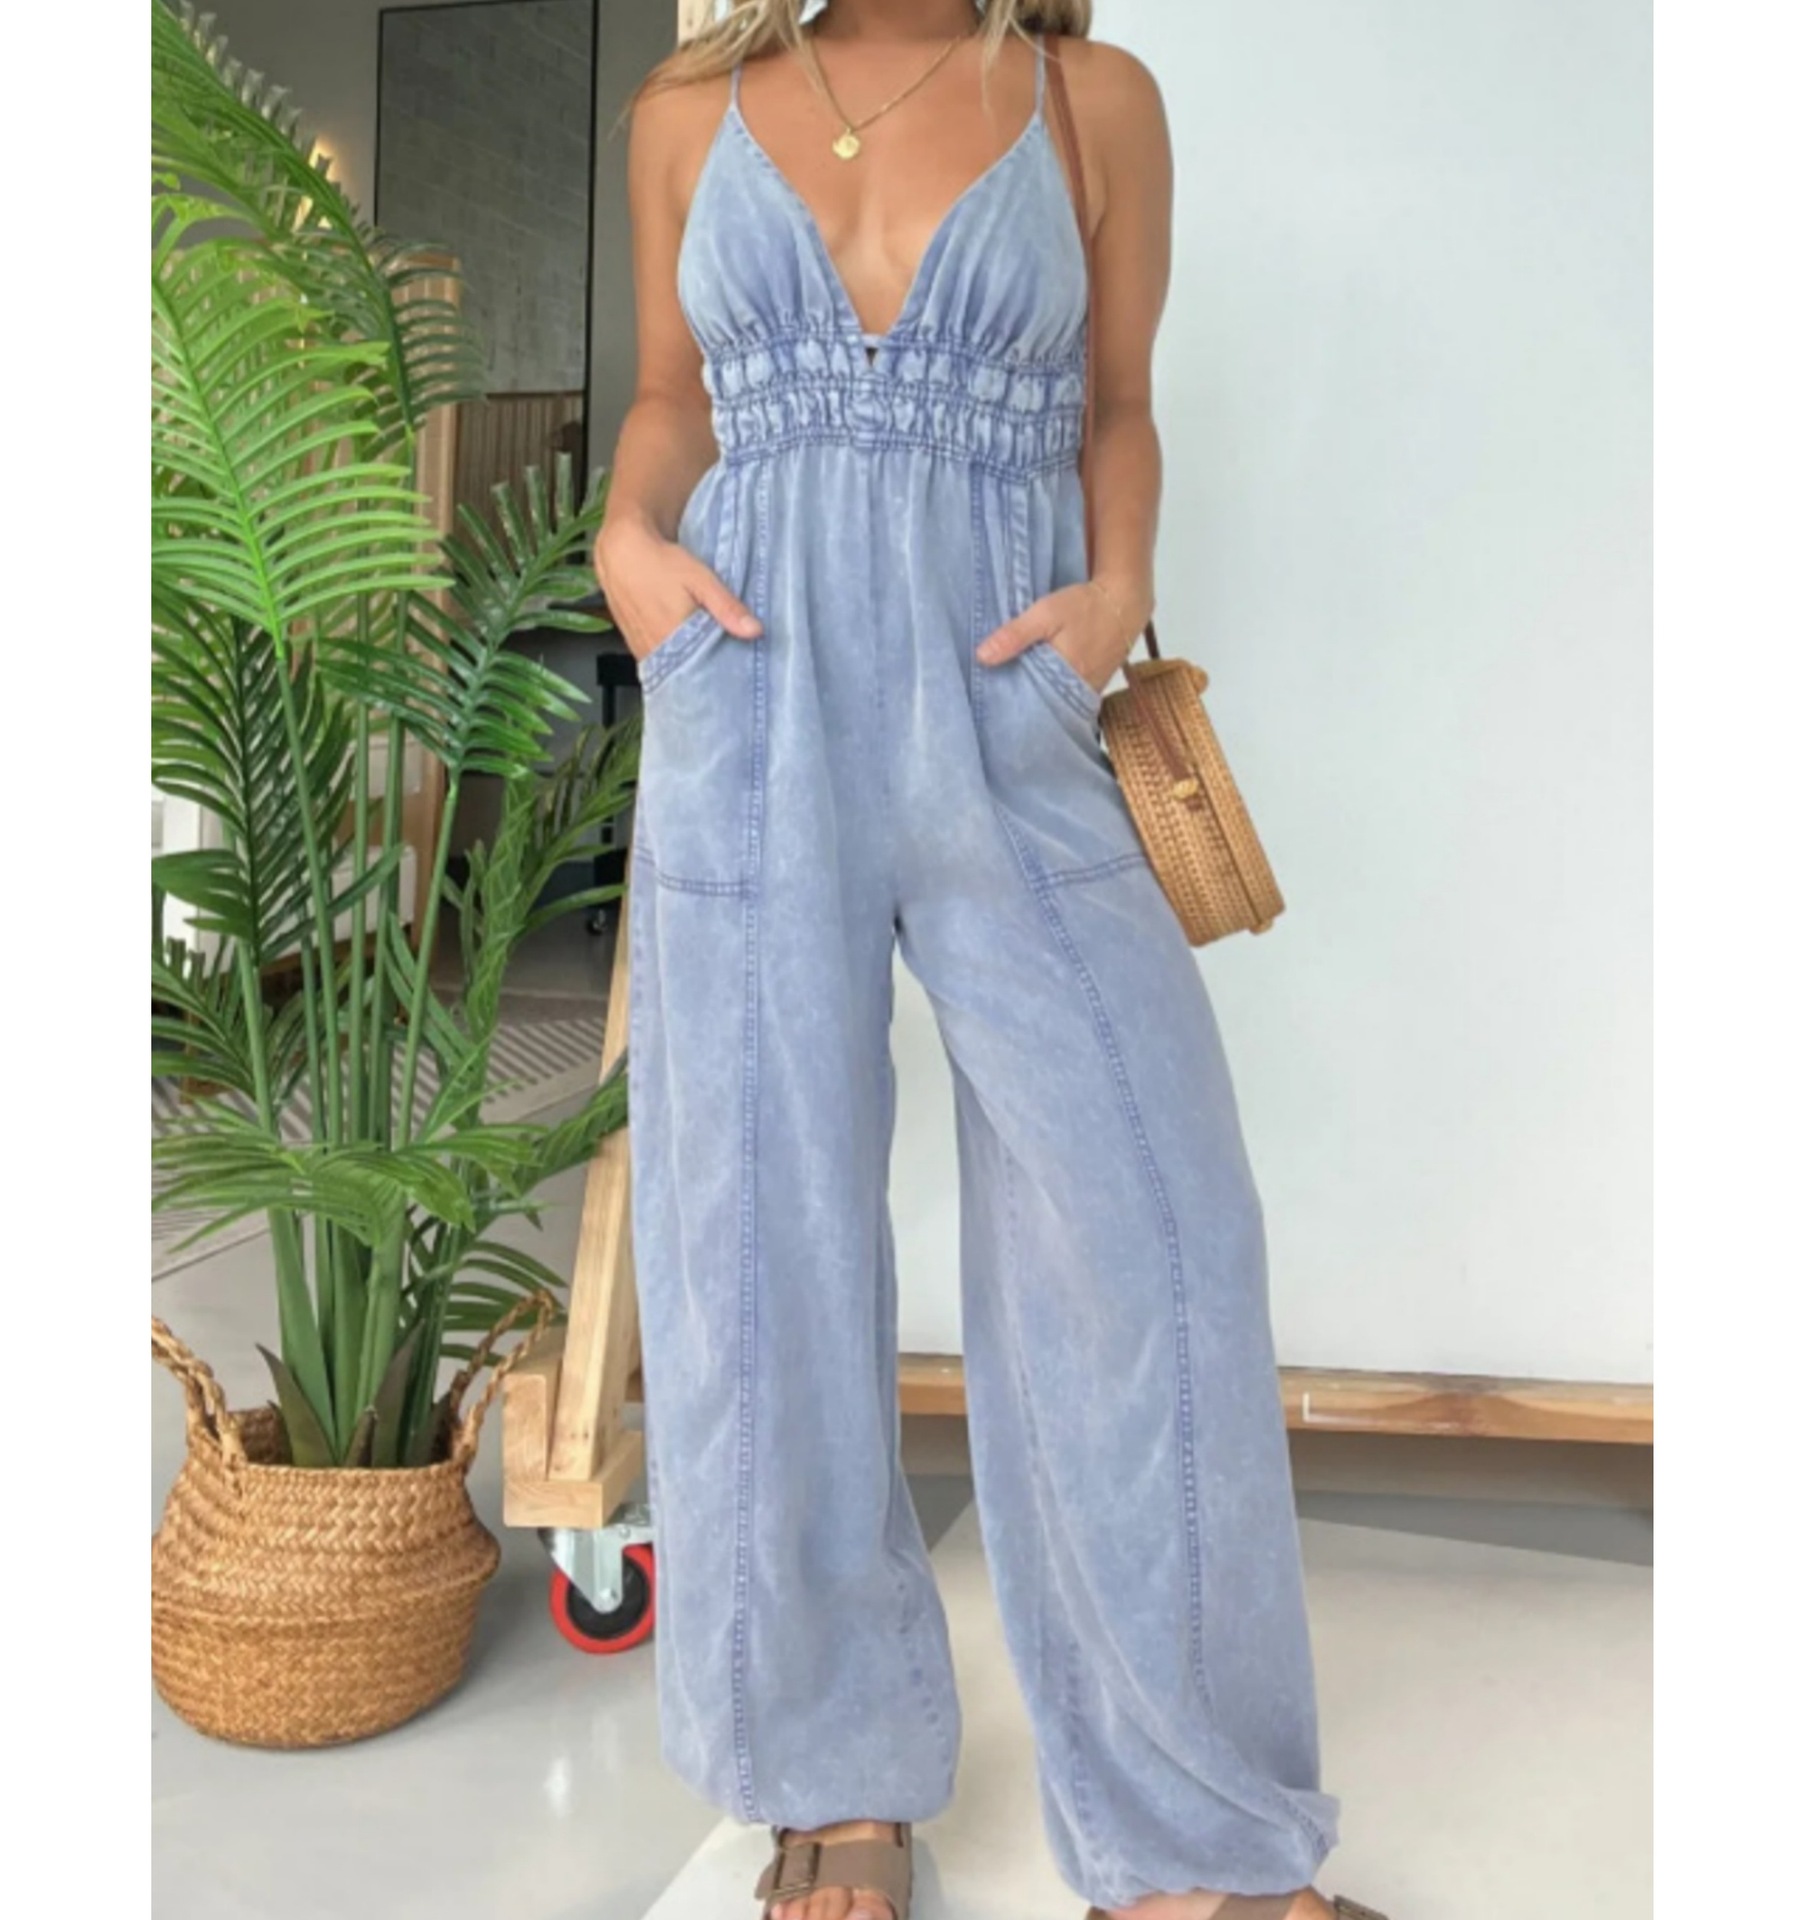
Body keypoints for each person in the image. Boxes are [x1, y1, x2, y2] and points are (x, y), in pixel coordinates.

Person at [595, 5, 1383, 1919]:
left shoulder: (1092, 101)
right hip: (750, 690)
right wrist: (628, 535)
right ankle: (833, 1782)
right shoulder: (689, 111)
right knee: (755, 1242)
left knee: (1157, 1229)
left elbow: (1118, 402)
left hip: (1009, 703)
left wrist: (1117, 589)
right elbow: (676, 395)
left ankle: (1188, 1840)